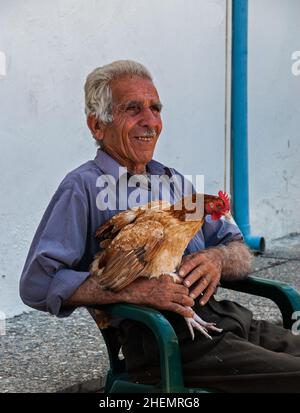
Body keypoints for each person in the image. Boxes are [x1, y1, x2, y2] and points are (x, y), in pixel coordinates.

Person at [20, 60, 300, 393]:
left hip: (227, 321)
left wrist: (218, 259)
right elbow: (37, 283)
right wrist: (131, 291)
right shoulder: (82, 188)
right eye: (133, 109)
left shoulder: (175, 182)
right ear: (97, 125)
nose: (150, 121)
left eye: (156, 109)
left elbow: (239, 247)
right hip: (169, 340)